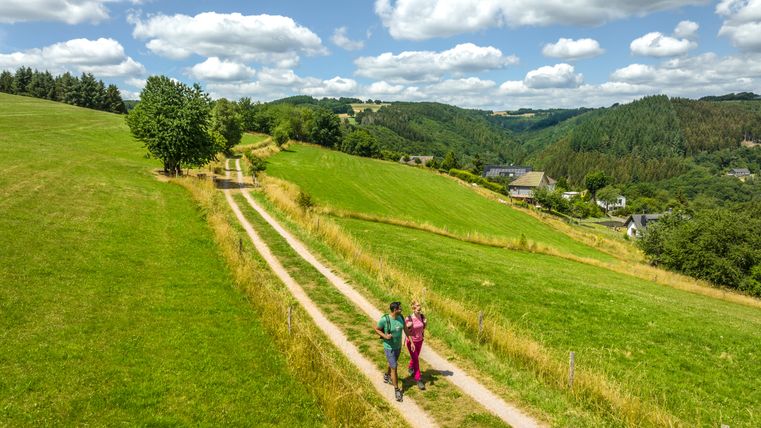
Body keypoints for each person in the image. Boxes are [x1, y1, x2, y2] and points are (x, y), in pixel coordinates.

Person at [374, 301, 412, 402]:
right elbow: (377, 329)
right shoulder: (385, 320)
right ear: (395, 310)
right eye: (400, 308)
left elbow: (406, 330)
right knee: (394, 367)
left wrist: (411, 342)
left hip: (398, 347)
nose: (401, 309)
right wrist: (385, 336)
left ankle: (387, 375)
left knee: (392, 364)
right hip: (389, 347)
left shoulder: (401, 318)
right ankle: (397, 390)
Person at [405, 300, 427, 390]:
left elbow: (423, 328)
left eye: (420, 305)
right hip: (411, 342)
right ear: (413, 307)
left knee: (415, 356)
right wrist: (408, 326)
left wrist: (425, 323)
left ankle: (410, 367)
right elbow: (406, 331)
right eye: (417, 305)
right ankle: (418, 378)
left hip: (420, 340)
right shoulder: (409, 318)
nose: (419, 307)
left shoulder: (422, 316)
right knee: (416, 360)